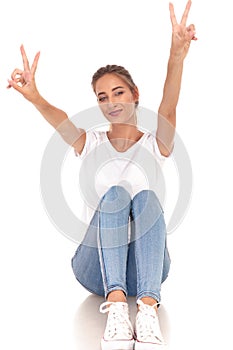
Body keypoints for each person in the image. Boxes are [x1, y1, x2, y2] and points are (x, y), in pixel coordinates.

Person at [8, 1, 196, 349]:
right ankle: (117, 308)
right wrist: (34, 96)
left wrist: (176, 56)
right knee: (115, 195)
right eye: (102, 96)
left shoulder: (157, 146)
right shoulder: (91, 143)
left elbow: (169, 107)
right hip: (93, 269)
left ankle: (148, 308)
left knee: (147, 198)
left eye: (119, 92)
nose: (111, 101)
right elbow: (62, 120)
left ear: (135, 95)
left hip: (147, 271)